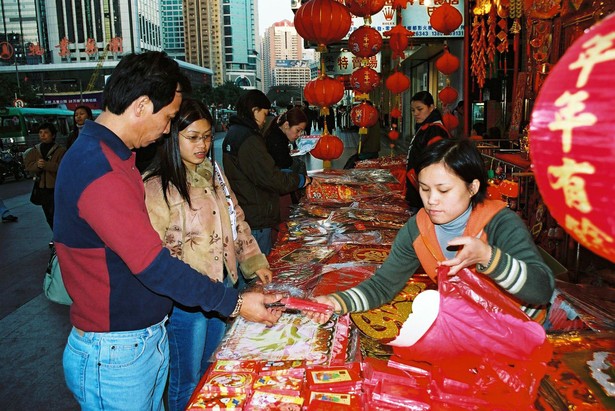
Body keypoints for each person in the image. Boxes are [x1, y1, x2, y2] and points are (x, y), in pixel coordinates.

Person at [54, 51, 283, 411]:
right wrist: (236, 303)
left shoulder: (114, 157)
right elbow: (153, 265)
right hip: (116, 350)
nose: (166, 129)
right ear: (142, 105)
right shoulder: (100, 168)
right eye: (169, 118)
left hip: (137, 341)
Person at [309, 139, 554, 324]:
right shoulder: (417, 228)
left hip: (521, 328)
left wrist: (489, 257)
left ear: (473, 187)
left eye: (443, 190)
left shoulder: (499, 223)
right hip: (473, 329)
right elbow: (384, 285)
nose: (432, 201)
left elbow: (541, 289)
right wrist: (336, 301)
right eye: (425, 190)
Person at [143, 98, 274, 411]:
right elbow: (157, 256)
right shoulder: (156, 186)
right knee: (185, 380)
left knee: (212, 367)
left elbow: (235, 218)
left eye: (206, 136)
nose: (202, 144)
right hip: (185, 300)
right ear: (171, 138)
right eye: (192, 137)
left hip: (221, 289)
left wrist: (253, 261)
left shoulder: (212, 171)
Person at [222, 90, 312, 256]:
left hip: (246, 207)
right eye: (264, 113)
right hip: (256, 214)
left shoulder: (234, 133)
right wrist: (299, 180)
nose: (264, 120)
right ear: (254, 110)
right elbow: (270, 178)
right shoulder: (249, 138)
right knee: (259, 269)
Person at [406, 91, 450, 212]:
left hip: (425, 193)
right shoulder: (426, 127)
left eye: (420, 109)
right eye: (413, 110)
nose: (416, 113)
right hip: (419, 189)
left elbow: (435, 163)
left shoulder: (435, 130)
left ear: (431, 107)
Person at [24, 122, 66, 231]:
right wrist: (37, 166)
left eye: (46, 132)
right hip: (42, 188)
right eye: (40, 133)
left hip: (56, 188)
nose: (43, 135)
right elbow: (28, 166)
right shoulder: (35, 150)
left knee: (57, 214)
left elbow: (63, 167)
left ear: (53, 135)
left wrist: (47, 165)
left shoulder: (60, 150)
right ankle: (56, 235)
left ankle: (60, 236)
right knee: (48, 215)